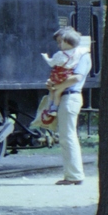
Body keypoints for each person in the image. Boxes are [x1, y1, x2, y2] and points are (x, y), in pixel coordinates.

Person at [42, 27, 91, 185]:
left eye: (59, 41)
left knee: (67, 136)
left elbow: (77, 78)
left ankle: (74, 175)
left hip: (70, 97)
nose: (58, 45)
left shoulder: (82, 56)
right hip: (65, 96)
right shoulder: (71, 56)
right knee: (66, 136)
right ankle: (73, 174)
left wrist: (59, 88)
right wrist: (53, 86)